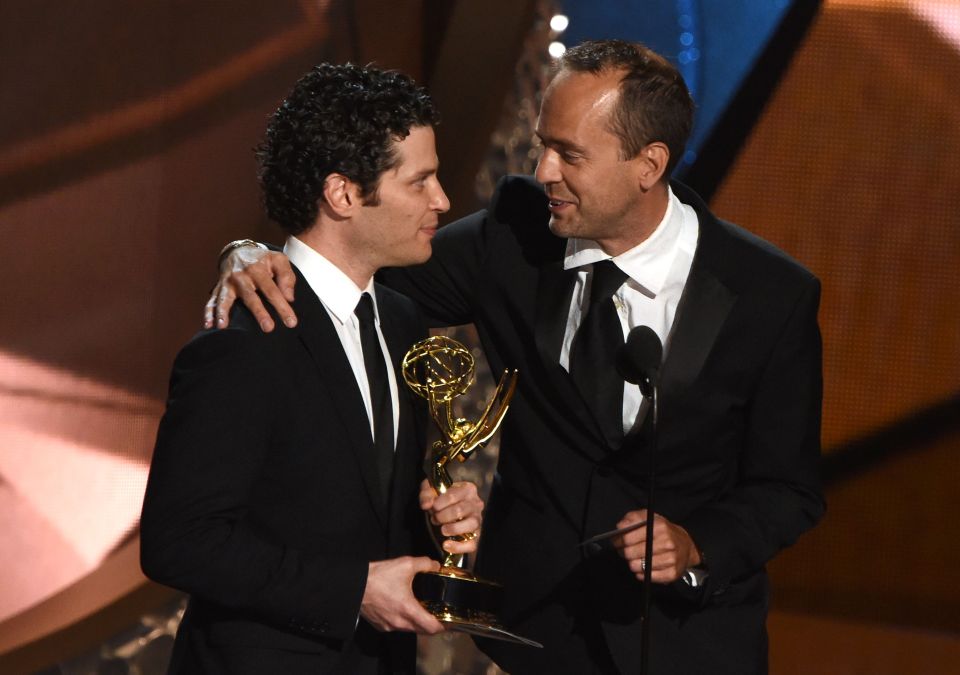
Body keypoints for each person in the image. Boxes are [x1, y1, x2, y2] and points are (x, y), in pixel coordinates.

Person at [205, 41, 825, 675]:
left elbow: (789, 488)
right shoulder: (514, 235)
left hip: (688, 642)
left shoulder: (768, 296)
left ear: (649, 163)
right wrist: (250, 252)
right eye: (543, 144)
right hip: (533, 638)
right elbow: (349, 271)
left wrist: (698, 544)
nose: (545, 170)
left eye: (571, 154)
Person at [140, 62, 486, 675]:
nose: (443, 200)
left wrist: (436, 520)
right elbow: (179, 542)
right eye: (421, 182)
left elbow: (362, 505)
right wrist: (353, 590)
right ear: (343, 194)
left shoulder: (402, 318)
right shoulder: (243, 340)